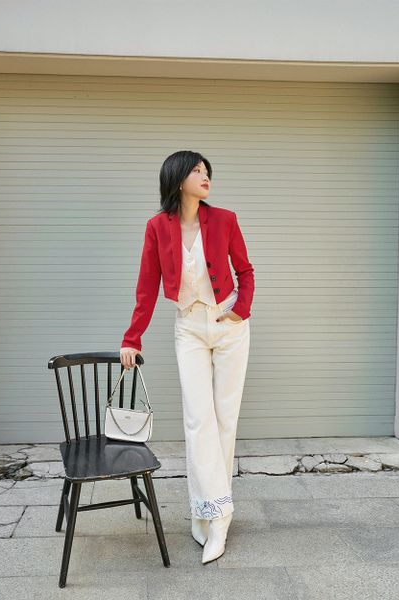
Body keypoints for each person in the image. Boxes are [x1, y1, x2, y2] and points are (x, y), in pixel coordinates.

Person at [120, 150, 254, 564]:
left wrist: (239, 309)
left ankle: (215, 515)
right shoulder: (157, 227)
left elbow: (245, 271)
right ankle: (211, 508)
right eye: (196, 170)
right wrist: (133, 337)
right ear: (177, 179)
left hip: (229, 326)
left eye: (206, 169)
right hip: (190, 326)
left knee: (224, 419)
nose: (205, 175)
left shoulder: (225, 219)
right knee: (199, 420)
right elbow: (147, 286)